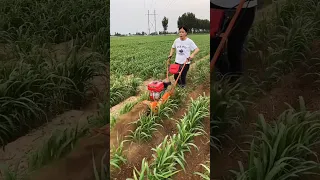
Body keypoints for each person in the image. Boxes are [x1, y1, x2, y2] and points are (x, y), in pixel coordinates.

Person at [210, 0, 257, 80]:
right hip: (216, 4)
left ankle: (234, 81)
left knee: (235, 47)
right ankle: (222, 76)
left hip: (244, 6)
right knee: (213, 45)